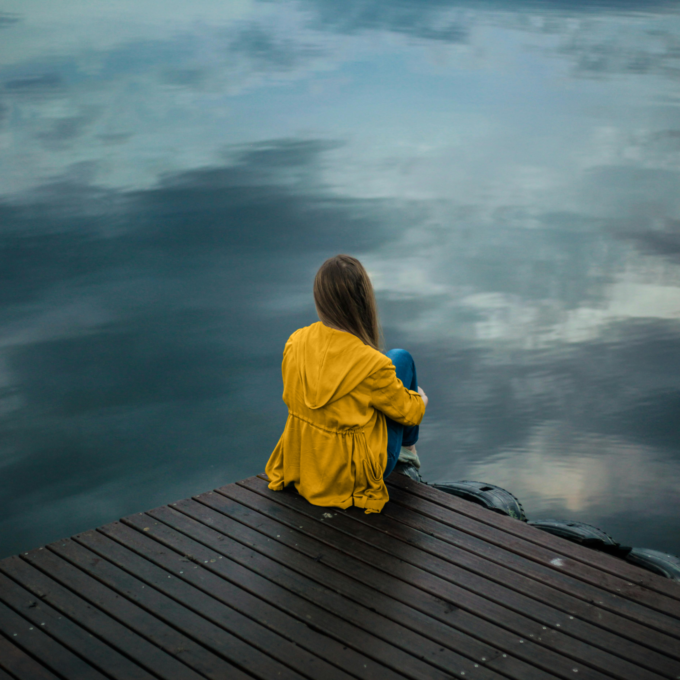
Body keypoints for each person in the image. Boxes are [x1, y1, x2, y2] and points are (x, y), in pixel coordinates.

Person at [265, 254, 428, 513]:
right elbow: (412, 414)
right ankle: (408, 454)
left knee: (392, 363)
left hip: (306, 464)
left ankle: (406, 453)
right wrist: (419, 397)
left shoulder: (295, 342)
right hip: (352, 478)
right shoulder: (372, 364)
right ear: (363, 301)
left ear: (320, 298)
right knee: (401, 359)